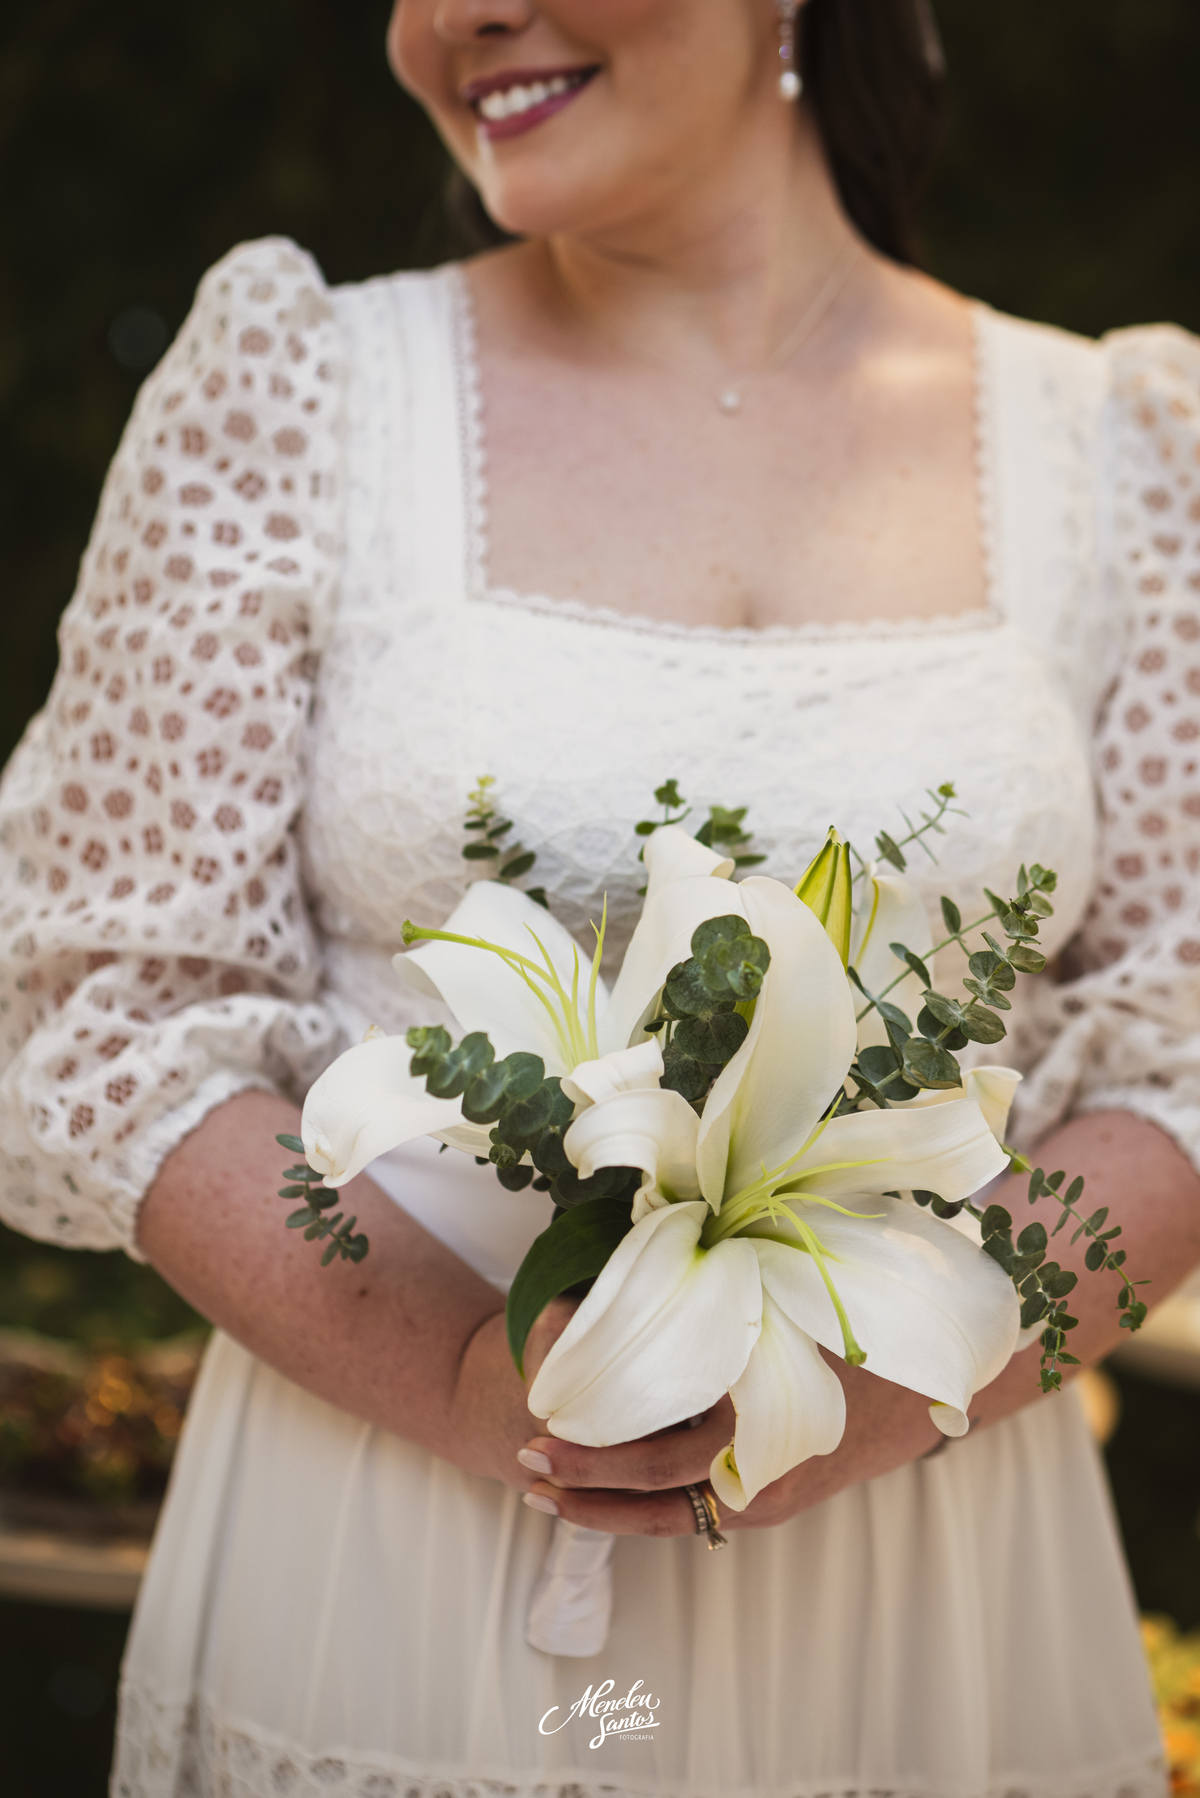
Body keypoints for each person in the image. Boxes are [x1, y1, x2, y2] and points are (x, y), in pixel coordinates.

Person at [3, 0, 1200, 1791]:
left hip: (921, 1589)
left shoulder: (1128, 446)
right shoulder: (298, 388)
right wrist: (473, 1383)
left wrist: (882, 1391)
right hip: (381, 1555)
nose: (453, 20)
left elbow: (1183, 1045)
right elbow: (106, 1004)